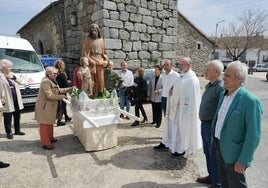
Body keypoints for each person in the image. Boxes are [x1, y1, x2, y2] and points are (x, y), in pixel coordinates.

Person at [212, 61, 263, 188]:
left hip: (234, 153)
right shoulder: (224, 95)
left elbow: (254, 135)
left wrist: (244, 159)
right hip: (219, 146)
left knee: (236, 185)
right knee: (224, 182)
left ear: (239, 79)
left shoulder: (251, 101)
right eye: (224, 74)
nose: (223, 77)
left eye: (228, 75)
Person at [155, 57, 202, 157]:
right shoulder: (181, 76)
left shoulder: (192, 79)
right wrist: (172, 91)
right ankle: (174, 146)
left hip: (184, 110)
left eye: (182, 65)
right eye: (179, 64)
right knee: (174, 128)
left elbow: (192, 98)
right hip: (175, 108)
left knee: (182, 131)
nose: (179, 66)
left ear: (189, 66)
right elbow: (175, 88)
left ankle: (181, 149)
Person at [196, 60, 224, 188]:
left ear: (217, 72)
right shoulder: (210, 85)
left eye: (208, 69)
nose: (205, 71)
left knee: (214, 155)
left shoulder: (220, 87)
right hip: (204, 125)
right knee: (207, 153)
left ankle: (217, 183)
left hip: (212, 126)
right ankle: (211, 176)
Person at [35, 67, 73, 150]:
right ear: (49, 74)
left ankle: (50, 138)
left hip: (49, 107)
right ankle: (45, 143)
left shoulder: (51, 80)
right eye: (54, 73)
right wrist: (63, 97)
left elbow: (60, 90)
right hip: (44, 107)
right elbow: (50, 95)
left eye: (56, 73)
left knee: (50, 122)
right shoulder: (46, 82)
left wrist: (71, 88)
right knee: (44, 124)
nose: (56, 75)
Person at [153, 59, 180, 149]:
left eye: (167, 65)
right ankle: (166, 137)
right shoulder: (163, 75)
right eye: (164, 65)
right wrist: (160, 91)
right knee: (166, 118)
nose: (165, 67)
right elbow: (164, 87)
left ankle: (171, 138)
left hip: (171, 100)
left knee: (171, 119)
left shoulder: (176, 75)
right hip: (163, 98)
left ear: (171, 65)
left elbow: (179, 87)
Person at [0, 59, 24, 139]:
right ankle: (9, 132)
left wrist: (13, 77)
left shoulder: (12, 74)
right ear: (3, 67)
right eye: (9, 67)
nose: (10, 68)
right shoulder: (0, 75)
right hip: (6, 98)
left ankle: (17, 130)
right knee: (8, 115)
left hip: (16, 97)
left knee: (17, 114)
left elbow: (20, 82)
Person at [82, 23, 108, 96]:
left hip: (100, 61)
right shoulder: (88, 40)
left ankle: (101, 93)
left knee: (101, 80)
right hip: (92, 61)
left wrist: (106, 60)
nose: (94, 32)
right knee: (93, 80)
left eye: (95, 30)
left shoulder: (101, 40)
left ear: (98, 31)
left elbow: (104, 52)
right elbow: (85, 53)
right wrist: (90, 60)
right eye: (92, 31)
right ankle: (93, 94)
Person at [54, 59, 72, 126]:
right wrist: (69, 87)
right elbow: (64, 83)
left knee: (63, 105)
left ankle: (66, 117)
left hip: (59, 91)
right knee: (62, 106)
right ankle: (59, 120)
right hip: (62, 91)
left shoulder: (56, 74)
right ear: (61, 66)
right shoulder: (61, 74)